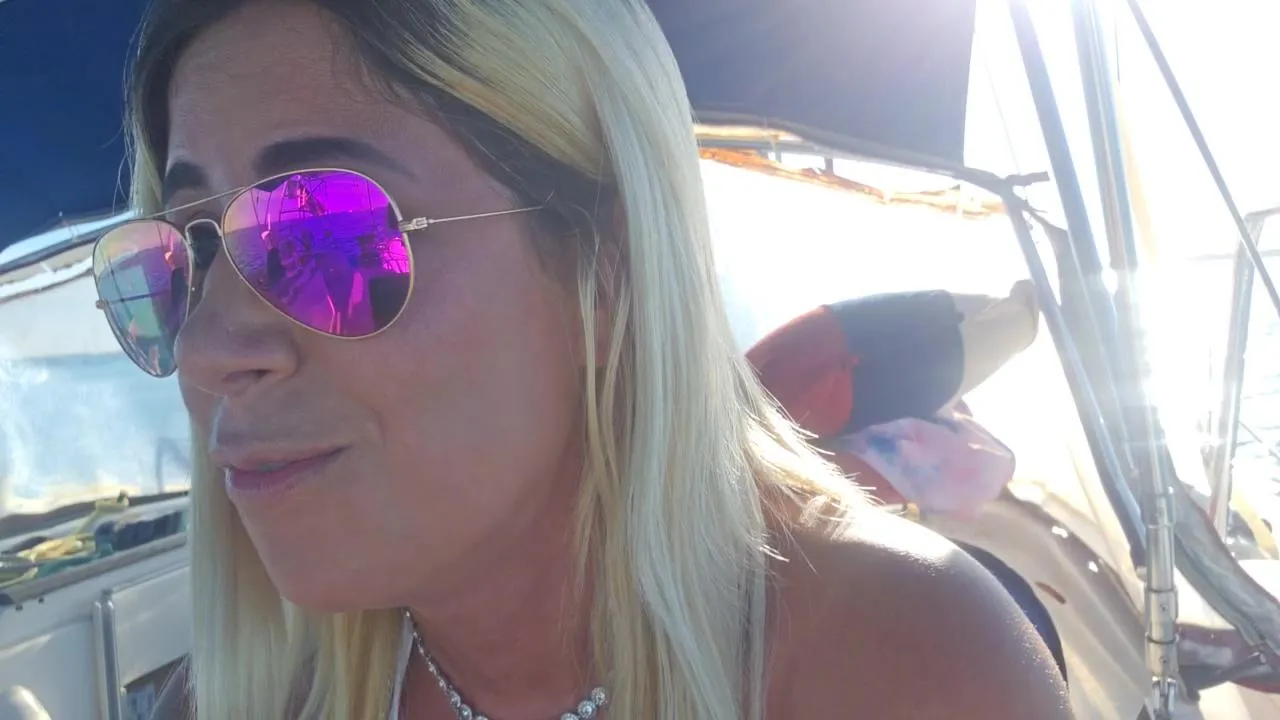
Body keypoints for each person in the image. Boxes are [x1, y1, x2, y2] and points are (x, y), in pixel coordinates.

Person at [124, 0, 1071, 717]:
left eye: (327, 235)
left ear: (607, 270)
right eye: (183, 255)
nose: (206, 349)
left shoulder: (904, 670)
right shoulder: (242, 698)